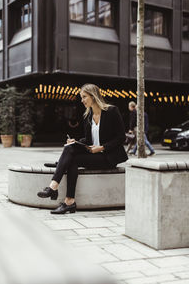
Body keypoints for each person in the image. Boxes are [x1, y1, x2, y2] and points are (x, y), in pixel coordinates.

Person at [37, 83, 128, 214]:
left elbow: (121, 137)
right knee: (70, 151)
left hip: (108, 157)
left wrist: (102, 147)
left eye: (84, 97)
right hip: (94, 154)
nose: (82, 100)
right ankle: (69, 201)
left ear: (93, 96)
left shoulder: (112, 111)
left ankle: (54, 188)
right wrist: (76, 142)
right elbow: (89, 140)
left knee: (70, 157)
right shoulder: (88, 116)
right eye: (81, 97)